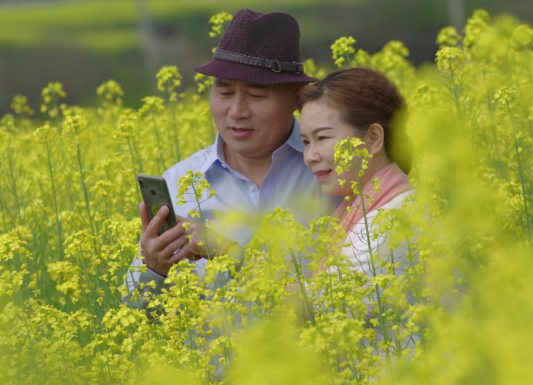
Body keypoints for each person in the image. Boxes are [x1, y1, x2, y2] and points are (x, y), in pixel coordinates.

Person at [124, 9, 332, 307]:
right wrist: (154, 270)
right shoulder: (181, 182)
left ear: (298, 98)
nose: (237, 112)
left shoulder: (333, 173)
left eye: (257, 96)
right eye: (224, 93)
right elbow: (138, 317)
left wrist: (224, 249)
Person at [298, 67, 413, 275]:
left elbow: (322, 303)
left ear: (374, 138)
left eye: (322, 138)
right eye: (306, 142)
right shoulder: (371, 209)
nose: (310, 157)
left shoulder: (388, 224)